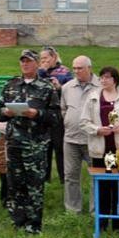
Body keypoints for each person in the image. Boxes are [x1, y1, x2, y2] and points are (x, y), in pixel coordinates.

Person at [0, 49, 59, 235]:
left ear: (37, 64)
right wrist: (5, 113)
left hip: (35, 145)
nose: (25, 64)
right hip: (14, 142)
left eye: (29, 61)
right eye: (22, 61)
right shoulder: (11, 85)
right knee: (15, 184)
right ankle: (18, 221)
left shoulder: (46, 87)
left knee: (34, 185)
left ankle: (34, 225)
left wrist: (36, 114)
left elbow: (55, 117)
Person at [80, 65, 119, 233]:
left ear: (115, 79)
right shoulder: (92, 97)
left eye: (107, 77)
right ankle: (101, 223)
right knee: (103, 188)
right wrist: (97, 130)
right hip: (100, 150)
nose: (103, 80)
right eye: (101, 77)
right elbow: (84, 122)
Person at [60, 55, 100, 214]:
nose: (76, 71)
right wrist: (70, 121)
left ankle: (95, 210)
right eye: (74, 68)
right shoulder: (67, 87)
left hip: (94, 139)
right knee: (70, 176)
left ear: (89, 68)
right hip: (70, 139)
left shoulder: (100, 87)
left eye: (80, 68)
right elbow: (63, 109)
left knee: (96, 176)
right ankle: (72, 210)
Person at [39, 46, 71, 184]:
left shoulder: (65, 72)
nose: (43, 61)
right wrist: (42, 71)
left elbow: (71, 91)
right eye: (41, 59)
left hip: (58, 115)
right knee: (45, 147)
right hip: (43, 114)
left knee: (59, 147)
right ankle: (45, 179)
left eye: (45, 58)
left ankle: (64, 178)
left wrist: (59, 88)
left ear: (53, 57)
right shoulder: (39, 71)